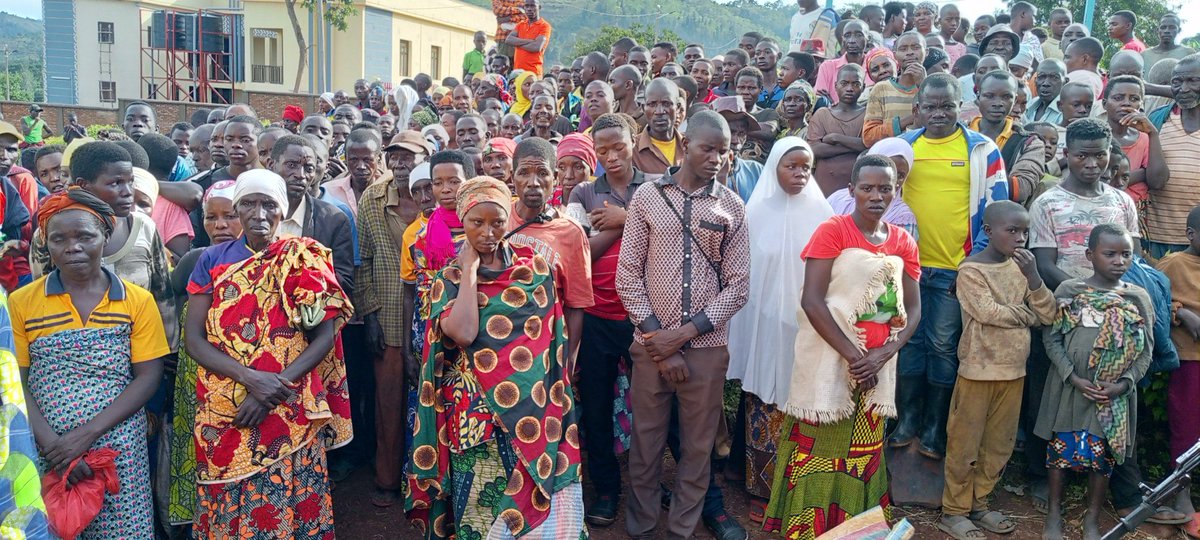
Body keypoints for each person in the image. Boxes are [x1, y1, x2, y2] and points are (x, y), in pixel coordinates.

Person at [405, 176, 586, 539]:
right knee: (480, 508)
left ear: (509, 221)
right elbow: (465, 332)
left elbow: (547, 350)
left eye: (497, 222)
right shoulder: (450, 277)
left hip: (534, 411)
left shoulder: (534, 269)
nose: (488, 232)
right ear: (463, 219)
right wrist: (470, 270)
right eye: (477, 222)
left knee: (534, 504)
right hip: (474, 415)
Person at [184, 169, 351, 538]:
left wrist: (275, 386)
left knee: (292, 490)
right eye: (249, 203)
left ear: (283, 208)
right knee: (226, 490)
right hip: (226, 400)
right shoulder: (210, 259)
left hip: (287, 399)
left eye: (269, 204)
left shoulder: (303, 257)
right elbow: (194, 340)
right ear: (237, 208)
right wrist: (250, 379)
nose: (259, 213)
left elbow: (324, 336)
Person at [764, 154, 921, 539]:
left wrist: (884, 354)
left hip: (878, 370)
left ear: (896, 190)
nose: (876, 196)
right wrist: (855, 358)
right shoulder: (833, 231)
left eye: (885, 188)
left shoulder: (903, 241)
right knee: (819, 449)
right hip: (830, 362)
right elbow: (813, 301)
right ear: (851, 191)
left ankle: (855, 532)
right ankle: (808, 531)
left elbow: (913, 308)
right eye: (867, 188)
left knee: (863, 452)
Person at [617, 110, 749, 540]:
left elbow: (739, 286)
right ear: (685, 142)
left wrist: (685, 333)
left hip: (707, 350)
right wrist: (661, 341)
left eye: (723, 151)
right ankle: (640, 527)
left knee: (697, 446)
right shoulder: (649, 197)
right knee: (647, 442)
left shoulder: (731, 207)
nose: (715, 158)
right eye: (707, 148)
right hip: (651, 346)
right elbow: (628, 275)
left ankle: (682, 530)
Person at [15, 188, 168, 539]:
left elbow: (148, 376)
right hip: (46, 446)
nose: (73, 247)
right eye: (58, 239)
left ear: (105, 236)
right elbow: (16, 383)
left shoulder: (136, 301)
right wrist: (56, 447)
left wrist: (85, 435)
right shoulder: (22, 303)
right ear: (46, 245)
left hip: (117, 444)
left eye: (85, 235)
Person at [891, 74, 1009, 459]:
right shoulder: (902, 147)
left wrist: (974, 264)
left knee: (942, 345)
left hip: (955, 268)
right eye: (930, 106)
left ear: (962, 107)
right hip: (905, 267)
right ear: (918, 108)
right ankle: (907, 419)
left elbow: (996, 208)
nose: (939, 113)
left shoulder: (982, 149)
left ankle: (934, 426)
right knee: (906, 342)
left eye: (947, 106)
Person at [726, 137, 832, 520]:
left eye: (807, 166)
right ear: (774, 167)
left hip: (807, 325)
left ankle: (797, 484)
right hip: (764, 324)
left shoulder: (823, 214)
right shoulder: (754, 212)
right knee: (764, 401)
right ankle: (762, 488)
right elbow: (741, 272)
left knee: (800, 400)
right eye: (792, 165)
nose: (800, 173)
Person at [938, 201, 1056, 540]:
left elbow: (1047, 314)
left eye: (1025, 232)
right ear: (988, 231)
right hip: (977, 370)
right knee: (964, 443)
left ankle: (980, 502)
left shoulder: (1023, 270)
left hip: (1014, 370)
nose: (1020, 239)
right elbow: (988, 312)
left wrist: (1034, 278)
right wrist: (1026, 315)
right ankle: (954, 510)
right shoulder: (971, 270)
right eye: (1012, 231)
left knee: (999, 445)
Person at [1038, 223, 1151, 540]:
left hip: (1111, 396)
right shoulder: (1070, 292)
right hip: (1069, 390)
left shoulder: (1137, 298)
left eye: (1126, 254)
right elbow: (1052, 340)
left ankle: (1092, 517)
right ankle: (1054, 514)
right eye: (1110, 253)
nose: (1119, 261)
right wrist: (1071, 376)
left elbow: (1146, 351)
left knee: (1102, 456)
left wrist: (1123, 384)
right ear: (1090, 255)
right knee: (1059, 452)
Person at [165, 179, 239, 532]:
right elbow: (169, 295)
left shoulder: (268, 259)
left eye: (230, 215)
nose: (220, 225)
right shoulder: (197, 259)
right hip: (197, 374)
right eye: (211, 217)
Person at [506, 137, 593, 360]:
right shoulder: (498, 219)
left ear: (555, 178)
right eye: (524, 172)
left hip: (546, 353)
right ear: (512, 177)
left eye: (542, 173)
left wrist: (569, 363)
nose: (533, 182)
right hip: (497, 347)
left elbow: (575, 306)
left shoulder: (570, 232)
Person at [1156, 206, 1200, 524]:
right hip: (1190, 358)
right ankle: (1180, 489)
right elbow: (1152, 299)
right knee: (1187, 426)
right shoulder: (1174, 263)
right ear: (1190, 234)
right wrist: (1181, 312)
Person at [1146, 55, 1200, 258]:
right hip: (1155, 236)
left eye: (1192, 81)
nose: (1183, 88)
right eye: (1177, 81)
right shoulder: (1158, 119)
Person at [968, 70, 1046, 207]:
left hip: (1000, 221)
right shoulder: (959, 134)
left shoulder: (1029, 143)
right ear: (978, 97)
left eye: (1006, 97)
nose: (997, 103)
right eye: (989, 96)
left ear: (1015, 100)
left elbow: (1020, 189)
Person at [808, 63, 867, 197]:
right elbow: (814, 149)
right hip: (825, 187)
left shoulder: (868, 114)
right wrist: (856, 145)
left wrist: (836, 138)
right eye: (844, 83)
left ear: (863, 87)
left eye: (856, 84)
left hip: (857, 189)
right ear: (836, 86)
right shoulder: (822, 114)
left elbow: (871, 144)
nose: (850, 88)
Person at [862, 31, 926, 146]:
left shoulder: (937, 86)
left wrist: (924, 86)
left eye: (916, 47)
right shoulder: (881, 89)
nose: (910, 53)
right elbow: (869, 137)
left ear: (926, 52)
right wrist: (911, 119)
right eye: (903, 49)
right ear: (895, 55)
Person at [712, 96, 765, 202]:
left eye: (742, 134)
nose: (736, 141)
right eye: (731, 133)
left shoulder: (756, 170)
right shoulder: (699, 172)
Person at [632, 78, 685, 176]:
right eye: (652, 104)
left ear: (677, 108)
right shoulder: (632, 149)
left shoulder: (690, 145)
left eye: (666, 104)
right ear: (643, 108)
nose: (659, 111)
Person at [813, 20, 867, 99]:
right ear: (842, 40)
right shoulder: (827, 67)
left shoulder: (874, 67)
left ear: (868, 38)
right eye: (847, 35)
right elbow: (821, 100)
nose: (851, 40)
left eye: (858, 35)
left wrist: (833, 104)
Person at [507, 0, 551, 76]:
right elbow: (508, 40)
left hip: (533, 72)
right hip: (517, 72)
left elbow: (536, 47)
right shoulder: (521, 24)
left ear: (539, 7)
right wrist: (530, 41)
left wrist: (517, 43)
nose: (529, 9)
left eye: (532, 6)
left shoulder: (544, 26)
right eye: (527, 6)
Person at [1026, 58, 1067, 125]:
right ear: (1035, 80)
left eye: (1054, 77)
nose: (1046, 83)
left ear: (1065, 82)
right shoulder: (1030, 104)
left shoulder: (1067, 112)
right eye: (1041, 76)